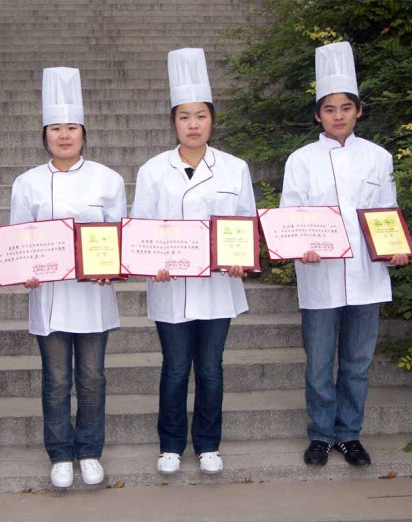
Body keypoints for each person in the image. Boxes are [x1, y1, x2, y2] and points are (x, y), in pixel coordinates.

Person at [280, 41, 411, 468]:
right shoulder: (300, 161)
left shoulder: (379, 158)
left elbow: (388, 213)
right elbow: (289, 217)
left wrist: (395, 249)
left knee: (356, 364)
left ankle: (349, 434)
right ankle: (320, 435)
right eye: (329, 109)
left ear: (358, 111)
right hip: (319, 276)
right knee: (319, 365)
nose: (338, 115)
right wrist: (301, 247)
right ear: (318, 115)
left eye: (346, 108)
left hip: (367, 278)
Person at [130, 48, 257, 476]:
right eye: (184, 117)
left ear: (212, 120)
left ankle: (207, 444)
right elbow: (141, 229)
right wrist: (152, 262)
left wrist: (241, 259)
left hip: (218, 287)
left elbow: (246, 223)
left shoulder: (235, 168)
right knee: (174, 369)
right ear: (173, 123)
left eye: (201, 116)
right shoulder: (152, 170)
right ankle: (170, 444)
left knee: (211, 369)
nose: (193, 124)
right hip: (170, 286)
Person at [10, 67, 126, 488]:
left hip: (93, 297)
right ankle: (60, 453)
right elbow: (17, 241)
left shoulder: (108, 179)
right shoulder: (27, 183)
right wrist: (23, 271)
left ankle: (90, 450)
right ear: (44, 134)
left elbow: (120, 238)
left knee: (92, 378)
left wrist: (111, 267)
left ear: (84, 133)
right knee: (57, 380)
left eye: (72, 128)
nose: (64, 135)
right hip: (50, 298)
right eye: (56, 128)